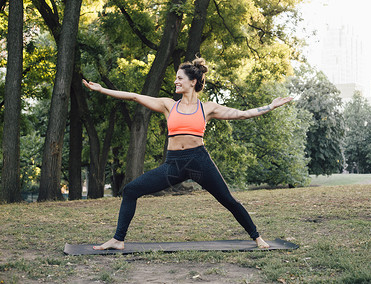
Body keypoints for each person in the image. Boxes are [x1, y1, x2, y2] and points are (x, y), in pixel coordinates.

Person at [82, 58, 293, 250]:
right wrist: (102, 90)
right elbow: (135, 96)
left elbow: (243, 114)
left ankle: (257, 237)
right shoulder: (168, 105)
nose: (176, 81)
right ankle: (118, 239)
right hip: (173, 165)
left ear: (192, 82)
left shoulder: (207, 108)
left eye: (179, 78)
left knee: (228, 200)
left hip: (199, 161)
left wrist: (271, 106)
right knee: (130, 190)